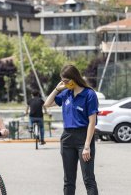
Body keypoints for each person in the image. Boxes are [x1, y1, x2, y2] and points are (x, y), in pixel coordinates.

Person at [44, 65, 98, 195]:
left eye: (67, 81)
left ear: (74, 78)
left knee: (88, 178)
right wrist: (57, 89)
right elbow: (47, 103)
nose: (65, 84)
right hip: (67, 138)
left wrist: (86, 146)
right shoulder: (66, 94)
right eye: (63, 81)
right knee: (68, 180)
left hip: (84, 138)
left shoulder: (89, 94)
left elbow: (92, 122)